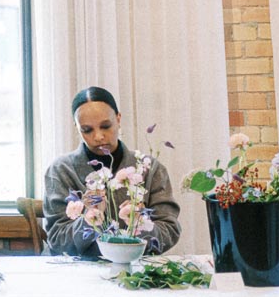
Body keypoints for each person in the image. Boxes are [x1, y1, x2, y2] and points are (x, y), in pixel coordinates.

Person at [42, 85, 181, 257]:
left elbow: (170, 231)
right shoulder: (60, 170)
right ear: (76, 127)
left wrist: (138, 223)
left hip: (134, 271)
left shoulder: (149, 169)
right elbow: (56, 239)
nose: (98, 136)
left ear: (118, 118)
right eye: (87, 130)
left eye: (106, 126)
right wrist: (88, 220)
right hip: (76, 273)